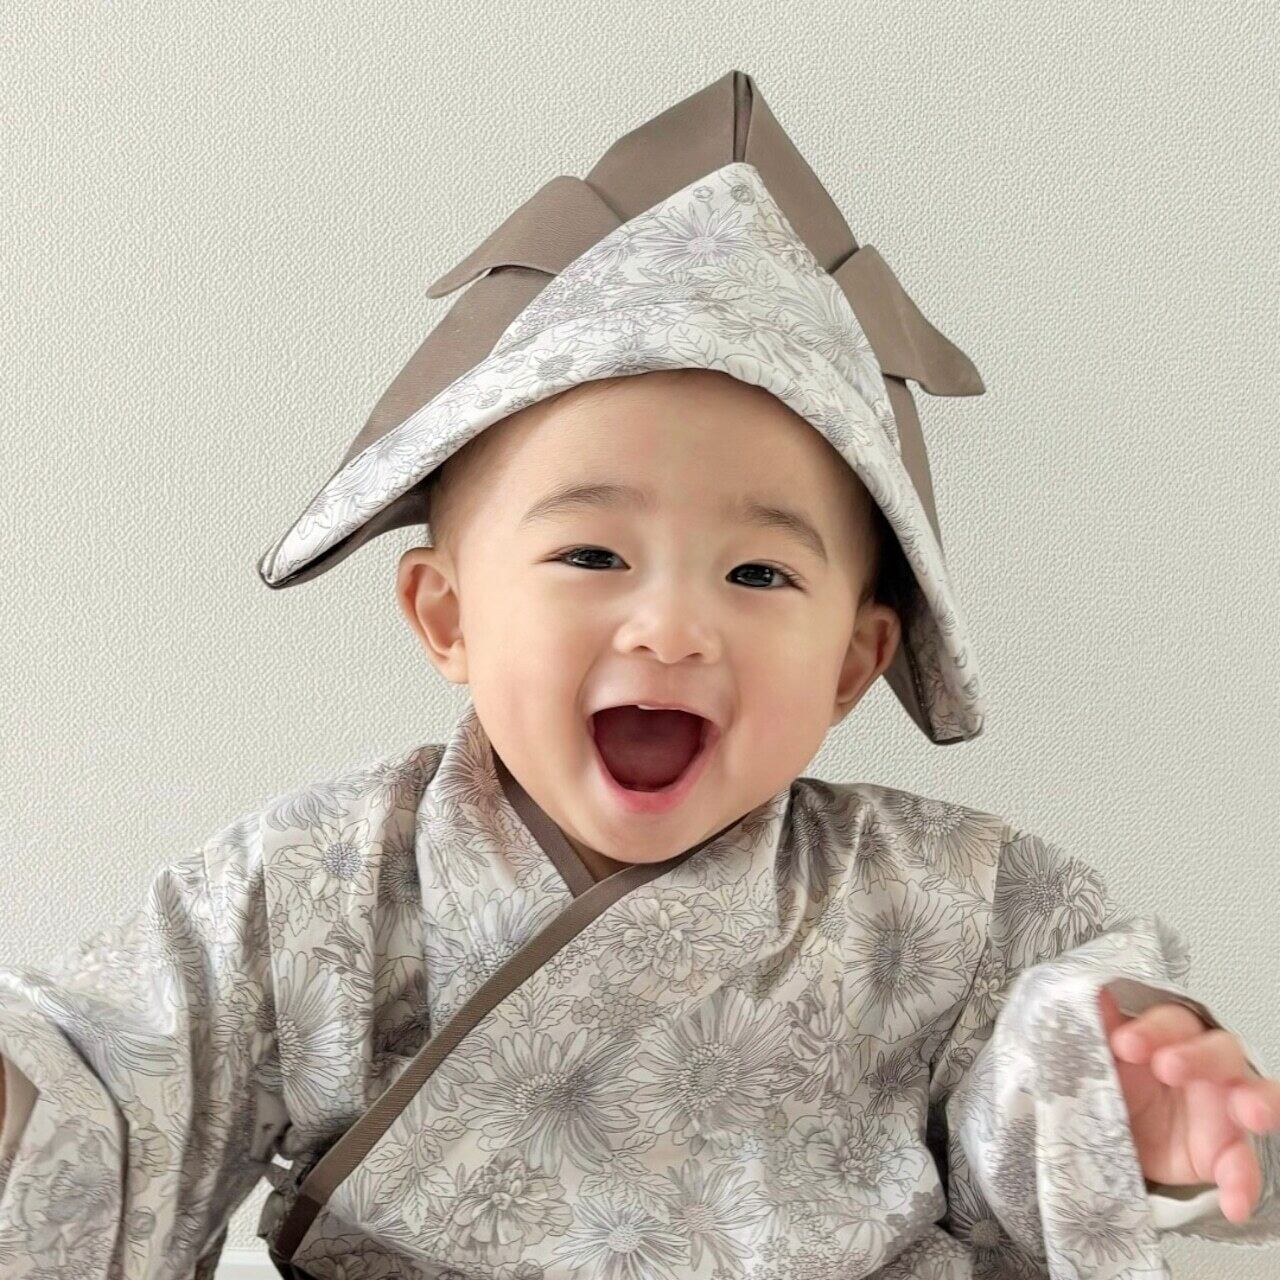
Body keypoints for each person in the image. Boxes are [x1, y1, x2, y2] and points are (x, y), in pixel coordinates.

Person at [3, 70, 1278, 1280]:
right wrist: (21, 1100)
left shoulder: (960, 903)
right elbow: (116, 1069)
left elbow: (1074, 1090)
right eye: (592, 553)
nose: (671, 627)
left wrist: (1136, 1117)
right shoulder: (315, 887)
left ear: (854, 660)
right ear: (446, 613)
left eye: (757, 572)